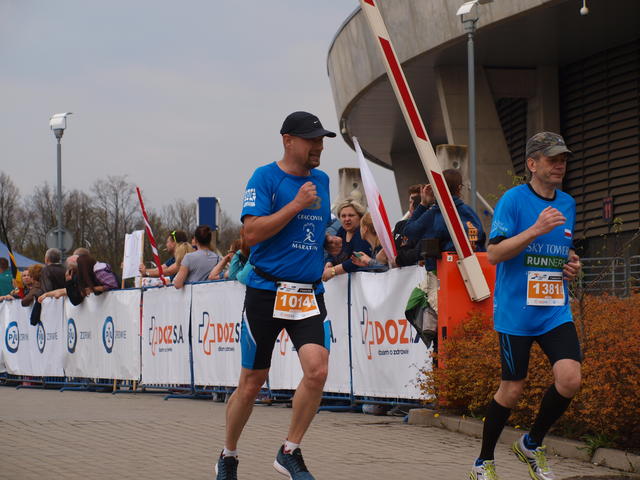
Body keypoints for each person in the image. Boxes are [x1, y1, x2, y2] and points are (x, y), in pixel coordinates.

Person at [215, 111, 341, 480]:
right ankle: (228, 455)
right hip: (266, 291)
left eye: (321, 141)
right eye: (311, 140)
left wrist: (326, 241)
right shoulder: (265, 178)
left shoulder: (321, 180)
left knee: (317, 371)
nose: (319, 147)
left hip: (307, 294)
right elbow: (251, 233)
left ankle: (290, 450)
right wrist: (295, 204)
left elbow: (306, 231)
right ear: (288, 140)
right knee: (252, 383)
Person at [469, 132, 582, 480]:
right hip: (516, 312)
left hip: (553, 310)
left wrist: (571, 263)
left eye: (563, 159)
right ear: (532, 164)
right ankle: (483, 462)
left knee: (570, 379)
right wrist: (535, 229)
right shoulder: (513, 200)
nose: (559, 165)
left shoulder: (568, 203)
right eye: (552, 159)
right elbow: (494, 253)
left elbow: (561, 249)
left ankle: (531, 443)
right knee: (512, 389)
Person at [403, 169, 485, 348]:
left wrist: (423, 204)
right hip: (474, 277)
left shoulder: (436, 213)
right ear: (460, 188)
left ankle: (440, 362)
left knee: (442, 331)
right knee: (468, 327)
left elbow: (409, 231)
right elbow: (481, 239)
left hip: (442, 277)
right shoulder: (469, 213)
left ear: (435, 189)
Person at [322, 199, 370, 281]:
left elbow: (357, 259)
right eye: (343, 216)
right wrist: (329, 263)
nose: (347, 219)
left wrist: (333, 271)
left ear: (360, 217)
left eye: (351, 215)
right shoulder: (342, 230)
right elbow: (332, 254)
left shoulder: (362, 233)